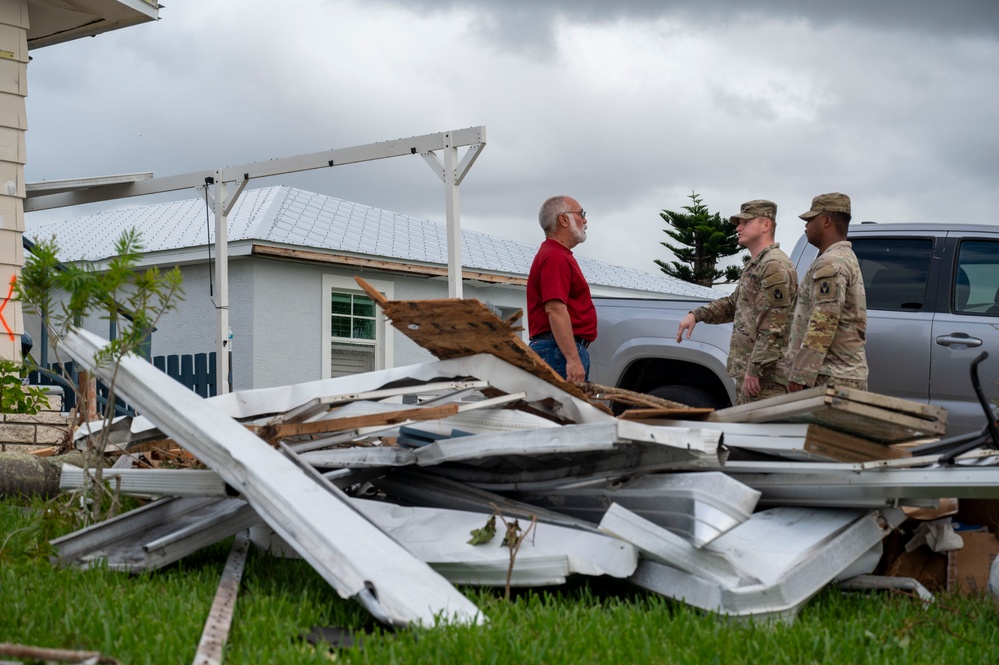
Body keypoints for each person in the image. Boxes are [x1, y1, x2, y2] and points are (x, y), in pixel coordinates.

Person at [676, 199, 798, 404]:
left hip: (767, 378)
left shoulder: (774, 265)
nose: (738, 228)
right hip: (755, 375)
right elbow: (735, 303)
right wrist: (697, 315)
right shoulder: (758, 263)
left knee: (761, 434)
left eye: (746, 222)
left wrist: (755, 369)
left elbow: (774, 325)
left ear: (766, 225)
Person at [786, 192, 868, 392]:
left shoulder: (831, 263)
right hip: (835, 375)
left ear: (827, 221)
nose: (806, 225)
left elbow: (825, 319)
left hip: (830, 378)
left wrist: (801, 373)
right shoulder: (841, 257)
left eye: (810, 219)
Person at [527, 195, 597, 382]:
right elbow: (555, 309)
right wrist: (573, 359)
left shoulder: (555, 254)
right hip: (557, 351)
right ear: (563, 219)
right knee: (560, 411)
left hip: (556, 350)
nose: (585, 220)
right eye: (581, 214)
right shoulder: (555, 257)